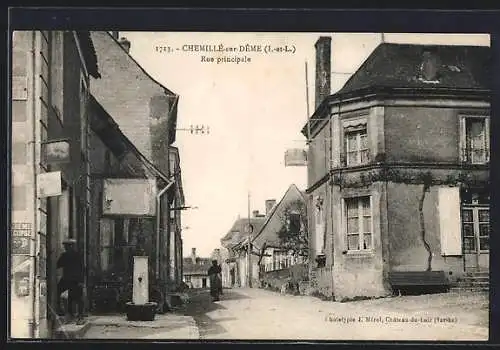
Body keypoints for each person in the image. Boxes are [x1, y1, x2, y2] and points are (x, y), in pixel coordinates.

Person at [56, 238, 85, 324]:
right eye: (65, 246)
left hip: (71, 279)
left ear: (71, 246)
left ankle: (76, 316)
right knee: (75, 297)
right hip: (72, 279)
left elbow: (58, 265)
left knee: (75, 297)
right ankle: (74, 315)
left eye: (67, 246)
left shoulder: (69, 255)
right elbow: (82, 268)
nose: (65, 248)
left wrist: (80, 281)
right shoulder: (76, 255)